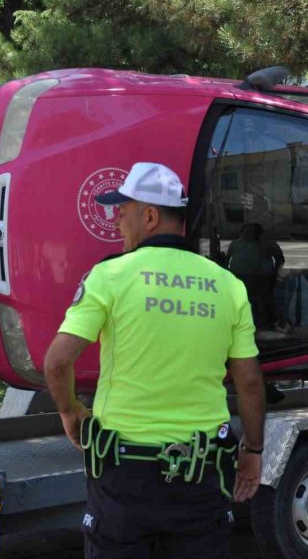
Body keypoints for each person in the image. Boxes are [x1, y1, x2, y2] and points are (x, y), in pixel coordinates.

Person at [43, 162, 266, 559]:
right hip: (202, 475)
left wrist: (71, 410)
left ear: (149, 216)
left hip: (123, 477)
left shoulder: (110, 276)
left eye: (122, 211)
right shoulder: (228, 285)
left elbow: (58, 362)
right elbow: (248, 382)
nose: (116, 221)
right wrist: (253, 451)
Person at [226, 222, 285, 328]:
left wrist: (274, 273)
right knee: (243, 302)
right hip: (239, 277)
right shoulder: (235, 244)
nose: (249, 234)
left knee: (263, 302)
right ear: (241, 233)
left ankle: (268, 324)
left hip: (262, 278)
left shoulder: (268, 244)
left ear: (259, 233)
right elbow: (227, 259)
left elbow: (280, 259)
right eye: (246, 231)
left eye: (253, 231)